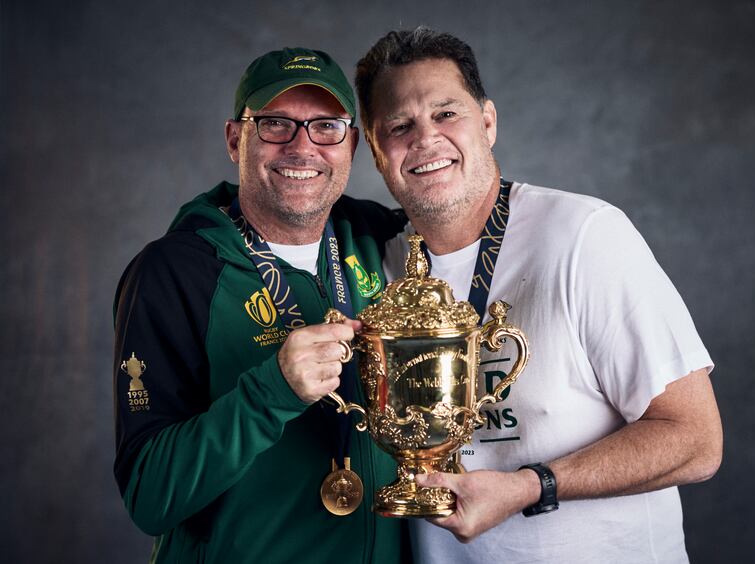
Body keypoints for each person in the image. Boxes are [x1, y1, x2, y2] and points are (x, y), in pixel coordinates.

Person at [355, 28, 723, 563]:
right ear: (375, 146)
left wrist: (532, 486)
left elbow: (696, 440)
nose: (425, 139)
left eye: (446, 114)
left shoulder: (584, 235)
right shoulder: (375, 265)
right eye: (399, 125)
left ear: (487, 122)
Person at [113, 47, 407, 563]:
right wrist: (270, 392)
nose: (303, 147)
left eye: (326, 127)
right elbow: (148, 496)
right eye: (275, 124)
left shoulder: (379, 237)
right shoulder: (172, 273)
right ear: (235, 139)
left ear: (353, 143)